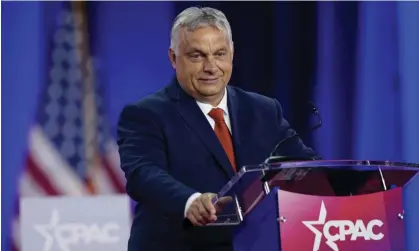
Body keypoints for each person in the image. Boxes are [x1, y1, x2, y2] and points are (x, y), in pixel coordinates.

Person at [117, 6, 318, 251]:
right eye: (197, 56)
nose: (211, 67)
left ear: (232, 53)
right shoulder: (146, 114)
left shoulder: (263, 109)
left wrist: (343, 181)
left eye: (220, 54)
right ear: (173, 57)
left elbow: (306, 166)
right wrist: (190, 201)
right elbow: (143, 175)